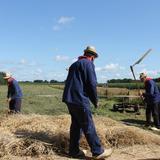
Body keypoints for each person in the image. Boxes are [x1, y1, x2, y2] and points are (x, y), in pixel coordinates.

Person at [62, 46, 112, 159]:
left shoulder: (74, 64)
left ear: (85, 53)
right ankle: (98, 151)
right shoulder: (88, 64)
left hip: (69, 99)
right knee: (88, 124)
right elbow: (91, 84)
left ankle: (74, 151)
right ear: (93, 57)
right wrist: (95, 100)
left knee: (76, 125)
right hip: (79, 99)